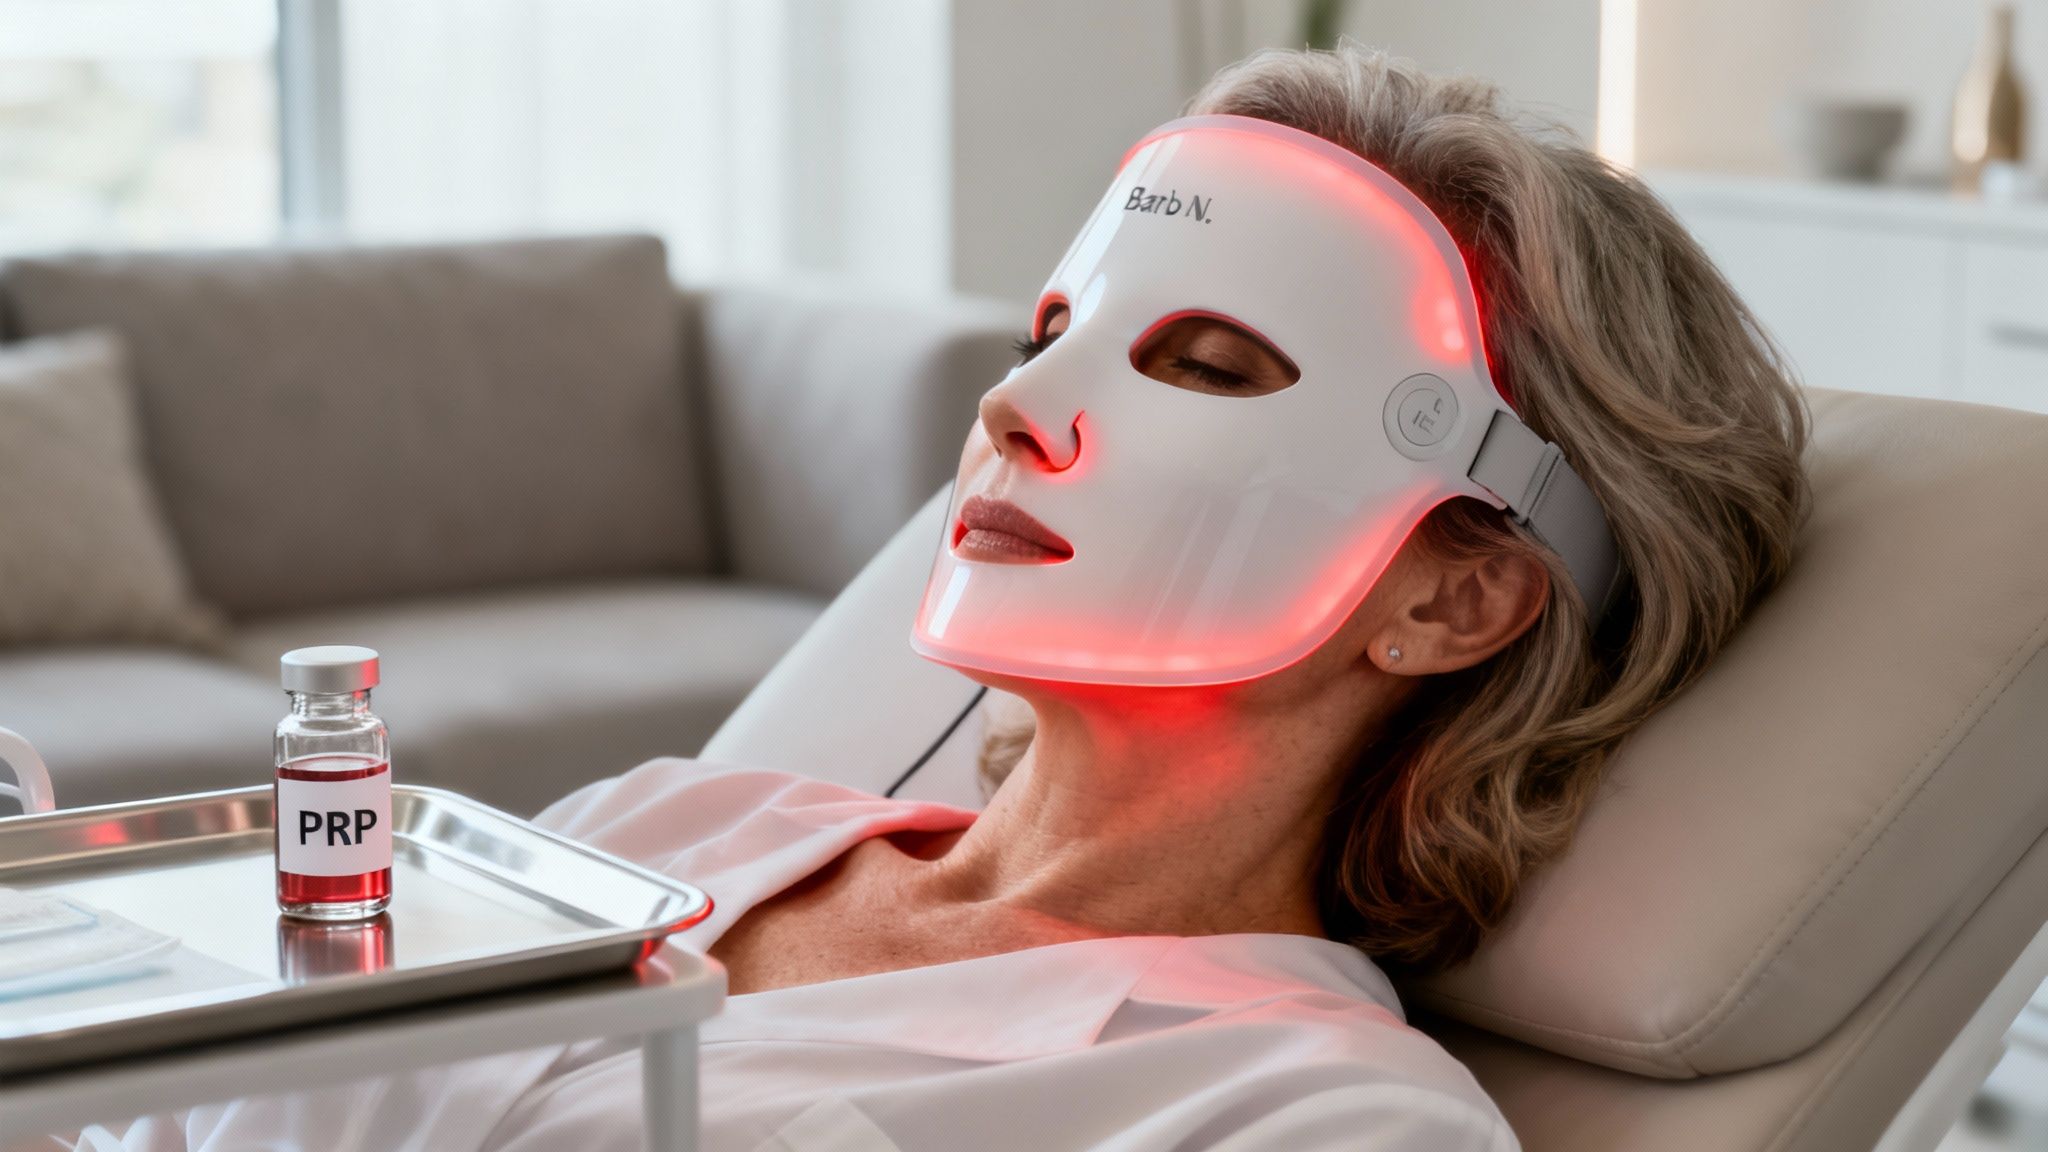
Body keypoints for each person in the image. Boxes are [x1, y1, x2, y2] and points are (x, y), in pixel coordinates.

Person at [82, 43, 1806, 1152]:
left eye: (1204, 365)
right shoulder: (672, 818)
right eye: (1048, 340)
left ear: (1454, 599)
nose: (1010, 413)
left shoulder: (1310, 1115)